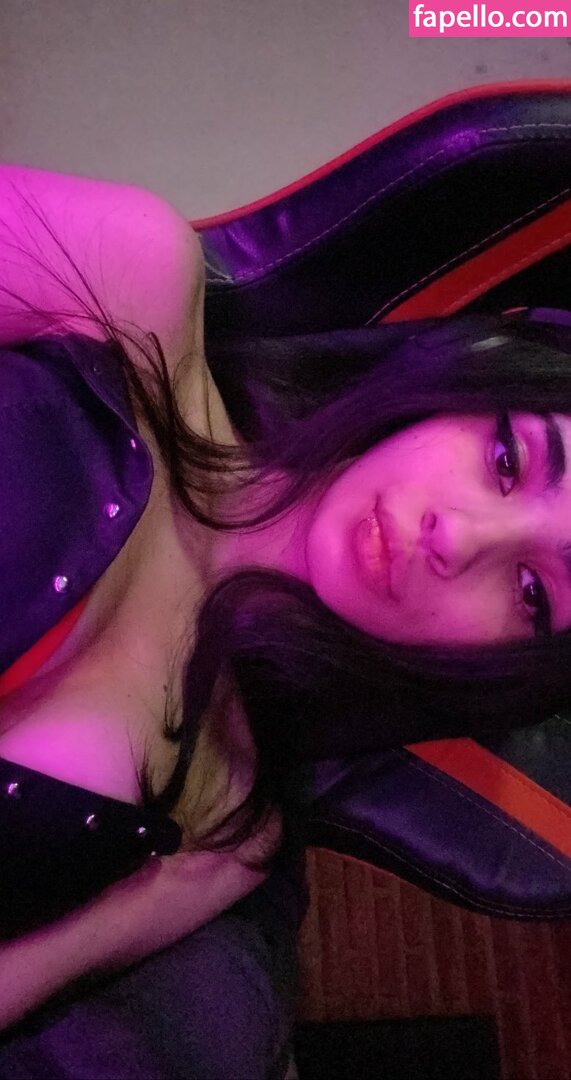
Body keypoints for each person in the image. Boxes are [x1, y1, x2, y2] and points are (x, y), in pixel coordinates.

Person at [0, 165, 570, 1073]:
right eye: (507, 457)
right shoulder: (129, 277)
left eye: (532, 593)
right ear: (463, 385)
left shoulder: (220, 839)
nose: (458, 538)